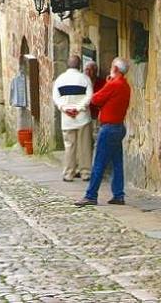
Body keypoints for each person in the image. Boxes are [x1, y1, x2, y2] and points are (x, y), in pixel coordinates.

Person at [75, 57, 132, 207]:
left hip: (109, 128)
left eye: (112, 66)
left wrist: (108, 83)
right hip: (118, 127)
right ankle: (118, 194)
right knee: (117, 162)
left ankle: (91, 195)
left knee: (99, 163)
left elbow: (95, 99)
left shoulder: (114, 85)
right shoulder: (125, 85)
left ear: (115, 69)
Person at [52, 56, 93, 182]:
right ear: (79, 65)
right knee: (84, 146)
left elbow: (56, 97)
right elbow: (89, 96)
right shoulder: (84, 79)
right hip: (82, 117)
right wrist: (79, 108)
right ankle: (85, 172)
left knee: (69, 146)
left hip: (67, 118)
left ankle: (69, 173)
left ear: (67, 65)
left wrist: (65, 108)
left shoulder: (60, 80)